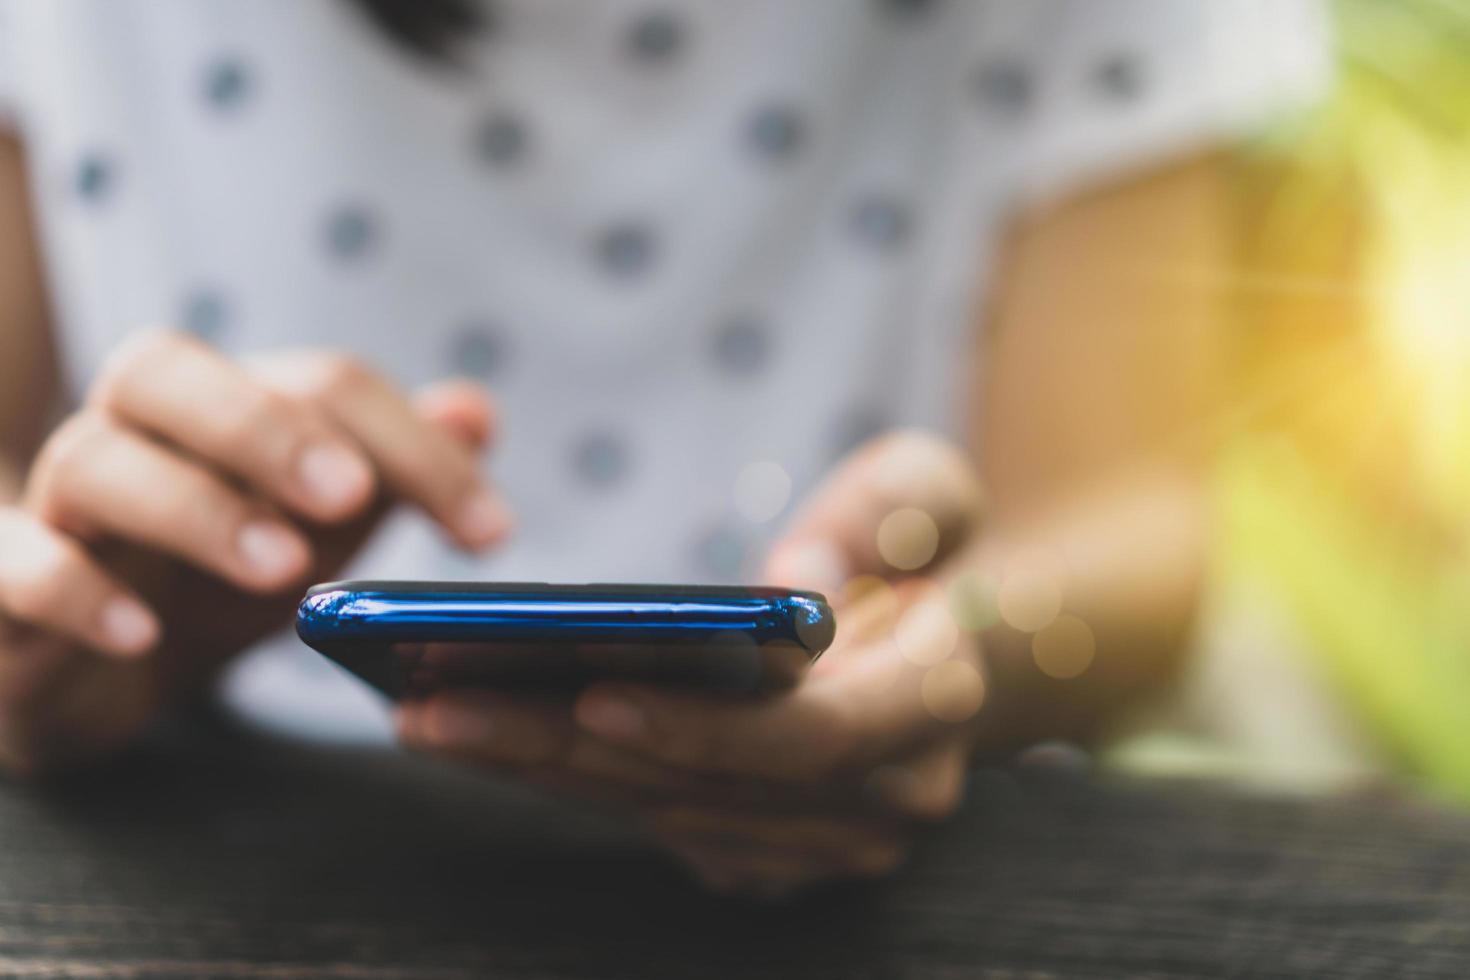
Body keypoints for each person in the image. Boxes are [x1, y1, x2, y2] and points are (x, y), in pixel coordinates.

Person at [0, 0, 1329, 896]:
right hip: (222, 861)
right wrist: (59, 622)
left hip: (899, 903)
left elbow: (1134, 516)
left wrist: (957, 646)